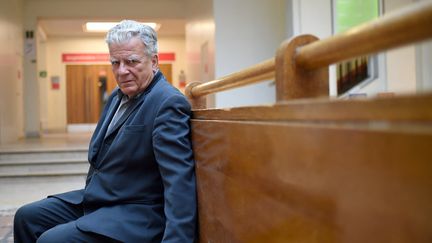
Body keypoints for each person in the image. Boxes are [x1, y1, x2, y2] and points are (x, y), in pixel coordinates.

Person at [14, 20, 197, 242]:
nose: (122, 71)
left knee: (51, 240)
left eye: (131, 61)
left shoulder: (167, 103)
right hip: (101, 199)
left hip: (135, 214)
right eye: (115, 62)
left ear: (154, 61)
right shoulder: (116, 96)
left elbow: (179, 181)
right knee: (26, 217)